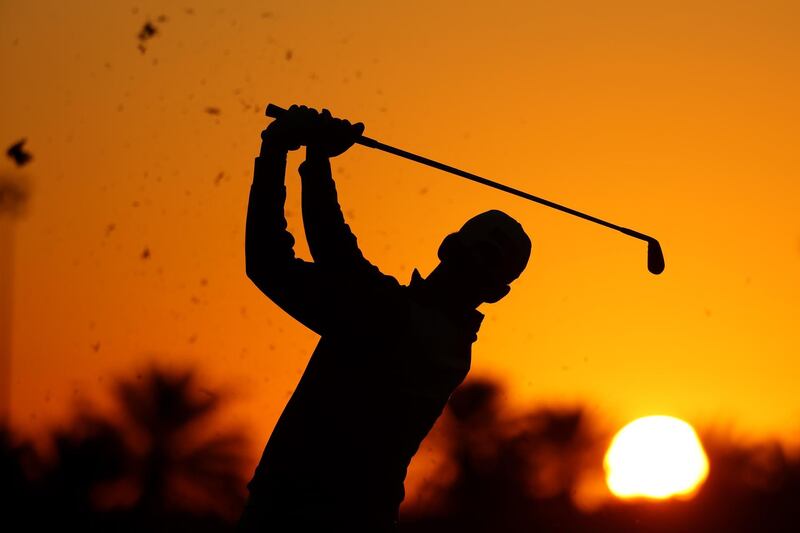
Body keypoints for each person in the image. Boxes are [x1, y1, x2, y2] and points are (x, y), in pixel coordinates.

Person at [239, 105, 531, 532]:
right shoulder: (370, 313)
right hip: (274, 510)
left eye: (489, 263)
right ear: (449, 247)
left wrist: (316, 158)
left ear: (495, 293)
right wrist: (276, 151)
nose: (475, 265)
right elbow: (267, 261)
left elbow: (337, 254)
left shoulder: (430, 340)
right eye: (477, 251)